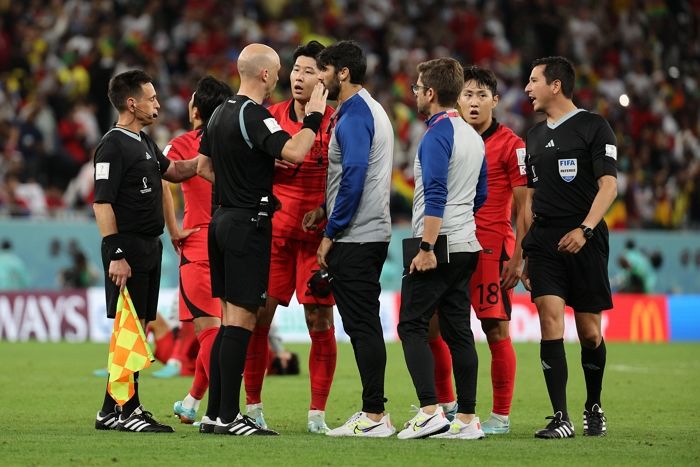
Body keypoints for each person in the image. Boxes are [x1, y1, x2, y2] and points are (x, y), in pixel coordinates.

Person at [195, 43, 328, 436]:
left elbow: (203, 166)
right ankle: (231, 415)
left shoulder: (219, 112)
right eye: (280, 72)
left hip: (221, 222)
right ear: (266, 75)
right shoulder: (256, 115)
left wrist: (239, 186)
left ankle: (215, 415)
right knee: (242, 321)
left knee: (228, 320)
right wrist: (315, 117)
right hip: (247, 226)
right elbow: (295, 151)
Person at [92, 69, 200, 433]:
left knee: (137, 325)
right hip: (129, 249)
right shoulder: (113, 144)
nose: (158, 103)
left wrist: (209, 156)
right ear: (132, 102)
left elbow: (175, 172)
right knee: (130, 328)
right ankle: (130, 410)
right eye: (151, 97)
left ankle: (110, 408)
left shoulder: (144, 142)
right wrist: (116, 253)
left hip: (149, 247)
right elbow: (102, 204)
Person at [427, 65, 530, 434]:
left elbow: (524, 208)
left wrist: (520, 256)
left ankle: (500, 415)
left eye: (481, 96)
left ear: (495, 101)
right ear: (458, 98)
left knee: (495, 329)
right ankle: (447, 406)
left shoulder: (512, 145)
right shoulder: (447, 135)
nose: (473, 102)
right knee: (432, 328)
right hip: (449, 246)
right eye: (467, 95)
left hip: (490, 251)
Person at [242, 41, 337, 434]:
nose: (299, 77)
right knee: (259, 318)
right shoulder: (270, 117)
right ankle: (253, 408)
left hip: (318, 243)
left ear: (324, 80)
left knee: (319, 320)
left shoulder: (336, 121)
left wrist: (329, 213)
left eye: (308, 71)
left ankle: (317, 414)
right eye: (295, 70)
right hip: (276, 236)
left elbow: (349, 180)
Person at [302, 40, 395, 438]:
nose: (318, 79)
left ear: (342, 73)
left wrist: (330, 232)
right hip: (368, 231)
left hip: (357, 236)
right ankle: (374, 411)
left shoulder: (355, 115)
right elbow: (357, 174)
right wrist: (325, 208)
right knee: (363, 323)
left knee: (362, 325)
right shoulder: (369, 110)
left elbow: (355, 175)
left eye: (323, 71)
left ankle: (374, 414)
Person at [522, 56, 617, 438]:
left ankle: (593, 405)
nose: (527, 88)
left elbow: (608, 186)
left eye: (533, 81)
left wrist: (586, 229)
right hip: (545, 240)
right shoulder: (531, 137)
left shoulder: (594, 127)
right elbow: (530, 198)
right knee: (549, 321)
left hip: (586, 239)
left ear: (555, 85)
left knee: (590, 332)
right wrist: (528, 250)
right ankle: (560, 417)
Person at [395, 58, 487, 440]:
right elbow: (480, 194)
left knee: (411, 324)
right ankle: (467, 419)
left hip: (440, 243)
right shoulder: (473, 135)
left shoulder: (437, 134)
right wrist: (459, 223)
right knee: (458, 331)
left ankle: (430, 410)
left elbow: (435, 193)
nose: (415, 93)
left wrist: (428, 245)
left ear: (431, 93)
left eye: (418, 88)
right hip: (467, 241)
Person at [159, 76, 233, 423]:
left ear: (196, 110)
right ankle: (192, 401)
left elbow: (163, 174)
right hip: (238, 242)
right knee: (225, 330)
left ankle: (222, 410)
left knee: (210, 333)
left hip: (200, 241)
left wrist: (173, 228)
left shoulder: (184, 143)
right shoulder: (237, 140)